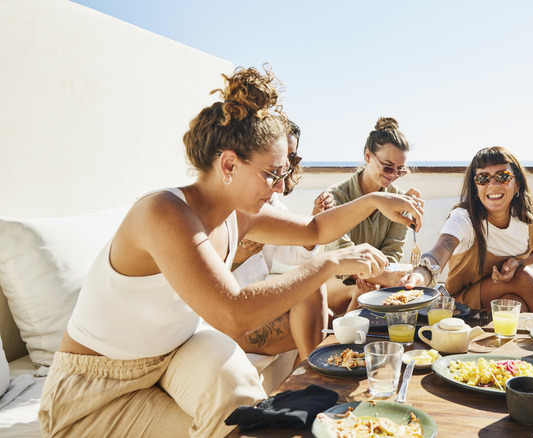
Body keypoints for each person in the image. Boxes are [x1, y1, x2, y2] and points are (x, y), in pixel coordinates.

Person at [38, 66, 422, 438]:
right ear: (228, 164)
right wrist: (330, 262)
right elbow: (232, 312)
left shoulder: (238, 213)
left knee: (240, 393)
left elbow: (315, 228)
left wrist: (375, 199)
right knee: (234, 419)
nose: (279, 187)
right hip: (97, 388)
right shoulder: (163, 213)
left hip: (170, 355)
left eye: (284, 174)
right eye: (272, 174)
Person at [400, 146, 533, 313]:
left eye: (502, 176)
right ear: (475, 188)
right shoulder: (464, 219)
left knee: (513, 304)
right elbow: (440, 252)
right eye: (483, 178)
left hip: (509, 294)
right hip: (464, 302)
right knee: (523, 276)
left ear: (517, 185)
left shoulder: (532, 217)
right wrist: (419, 276)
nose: (493, 184)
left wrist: (516, 262)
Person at [230, 118, 332, 363]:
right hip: (228, 318)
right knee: (319, 308)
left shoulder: (273, 205)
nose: (286, 168)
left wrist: (312, 225)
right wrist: (241, 254)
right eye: (277, 164)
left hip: (255, 307)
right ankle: (310, 382)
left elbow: (290, 255)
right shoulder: (228, 206)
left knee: (323, 309)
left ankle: (301, 386)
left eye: (292, 158)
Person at [322, 117, 421, 315]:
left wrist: (376, 278)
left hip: (376, 280)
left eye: (400, 170)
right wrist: (380, 278)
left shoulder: (401, 200)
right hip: (335, 282)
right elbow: (341, 256)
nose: (392, 175)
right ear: (368, 156)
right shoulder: (335, 197)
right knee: (362, 293)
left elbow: (392, 252)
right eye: (387, 167)